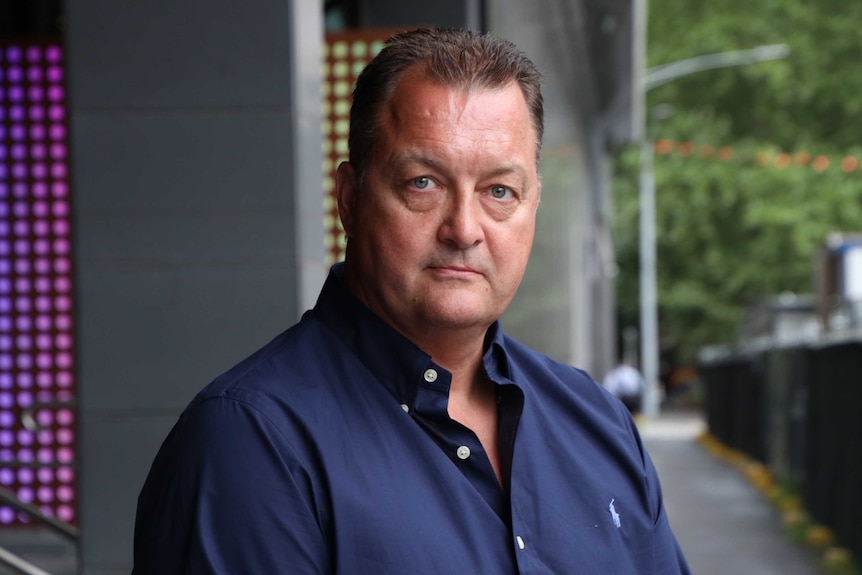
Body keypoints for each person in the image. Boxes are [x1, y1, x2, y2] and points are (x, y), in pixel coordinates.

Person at [132, 27, 690, 574]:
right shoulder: (250, 444)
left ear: (532, 207)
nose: (464, 229)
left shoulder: (598, 422)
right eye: (424, 182)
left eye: (499, 191)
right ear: (351, 199)